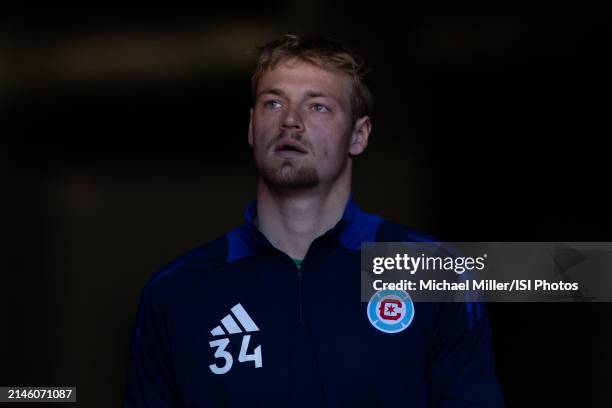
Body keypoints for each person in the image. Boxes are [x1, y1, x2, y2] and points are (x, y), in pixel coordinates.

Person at [124, 34, 504, 407]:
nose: (291, 121)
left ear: (359, 135)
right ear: (252, 126)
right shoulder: (177, 293)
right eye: (274, 103)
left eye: (318, 106)